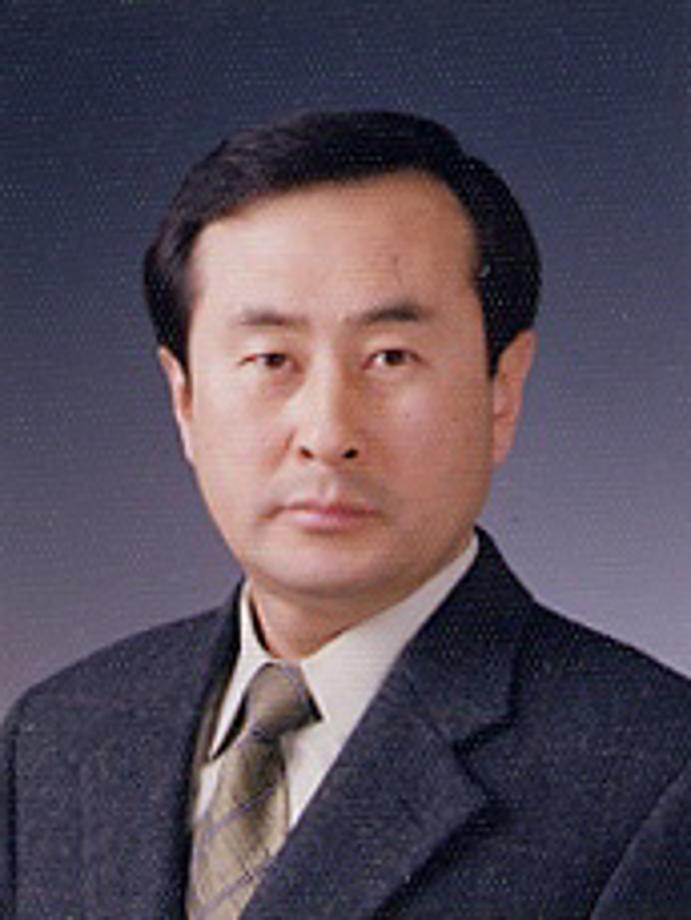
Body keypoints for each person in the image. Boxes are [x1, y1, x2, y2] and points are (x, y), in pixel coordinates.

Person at [1, 111, 689, 919]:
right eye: (270, 359)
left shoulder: (653, 776)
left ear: (501, 389)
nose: (328, 433)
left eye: (390, 357)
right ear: (184, 399)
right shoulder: (55, 740)